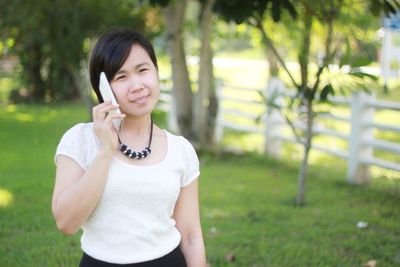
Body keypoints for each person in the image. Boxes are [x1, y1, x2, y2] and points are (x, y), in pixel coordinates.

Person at [51, 28, 206, 267]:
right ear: (103, 88)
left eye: (143, 70)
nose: (137, 85)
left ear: (156, 72)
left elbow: (191, 237)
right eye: (121, 77)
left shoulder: (181, 150)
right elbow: (66, 223)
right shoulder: (80, 140)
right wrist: (106, 150)